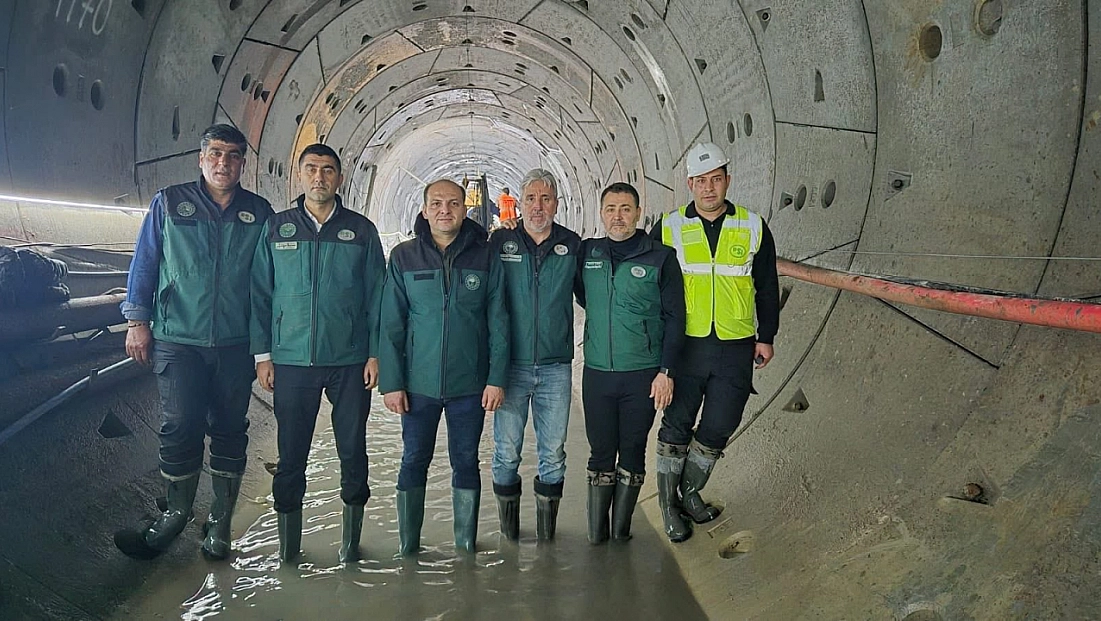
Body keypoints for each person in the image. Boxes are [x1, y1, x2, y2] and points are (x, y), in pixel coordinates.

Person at [114, 124, 273, 561]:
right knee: (180, 425)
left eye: (233, 155)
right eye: (216, 153)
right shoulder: (169, 203)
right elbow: (145, 262)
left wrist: (265, 348)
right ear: (201, 159)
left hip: (236, 343)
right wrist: (137, 320)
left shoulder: (259, 212)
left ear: (243, 164)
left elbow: (267, 283)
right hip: (177, 339)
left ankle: (220, 523)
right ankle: (176, 514)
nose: (224, 162)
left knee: (230, 428)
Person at [250, 144, 385, 563]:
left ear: (340, 179)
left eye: (328, 170)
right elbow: (259, 295)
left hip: (349, 361)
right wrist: (263, 355)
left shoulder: (361, 231)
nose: (319, 177)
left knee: (353, 451)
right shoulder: (277, 228)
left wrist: (375, 354)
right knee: (291, 456)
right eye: (311, 168)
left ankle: (350, 546)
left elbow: (377, 297)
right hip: (291, 361)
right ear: (299, 175)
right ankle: (289, 550)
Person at [648, 142, 780, 543]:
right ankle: (668, 505)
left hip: (734, 345)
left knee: (720, 424)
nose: (709, 188)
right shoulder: (668, 227)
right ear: (689, 183)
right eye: (701, 181)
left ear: (728, 180)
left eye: (716, 179)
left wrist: (767, 335)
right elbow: (649, 288)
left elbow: (767, 285)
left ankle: (689, 493)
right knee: (677, 423)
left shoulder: (752, 225)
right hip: (684, 345)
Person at [378, 179, 510, 555]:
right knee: (413, 459)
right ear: (424, 210)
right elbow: (391, 324)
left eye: (453, 203)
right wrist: (392, 383)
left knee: (466, 461)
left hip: (470, 385)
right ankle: (408, 547)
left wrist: (496, 379)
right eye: (436, 203)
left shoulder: (486, 257)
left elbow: (499, 321)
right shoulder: (404, 257)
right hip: (417, 386)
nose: (444, 210)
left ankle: (465, 546)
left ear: (465, 210)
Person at [576, 182, 685, 544]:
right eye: (610, 209)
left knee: (633, 450)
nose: (618, 216)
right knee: (600, 452)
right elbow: (583, 295)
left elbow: (676, 318)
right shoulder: (587, 252)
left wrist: (666, 371)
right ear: (601, 213)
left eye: (625, 209)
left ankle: (621, 532)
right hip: (597, 374)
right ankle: (597, 536)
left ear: (639, 213)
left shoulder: (661, 258)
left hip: (642, 374)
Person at [488, 169, 581, 542]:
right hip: (510, 366)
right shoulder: (501, 243)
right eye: (530, 199)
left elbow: (593, 295)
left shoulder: (571, 245)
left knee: (553, 453)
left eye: (545, 199)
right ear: (519, 203)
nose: (537, 206)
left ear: (557, 204)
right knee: (506, 451)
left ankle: (546, 539)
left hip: (556, 367)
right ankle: (509, 536)